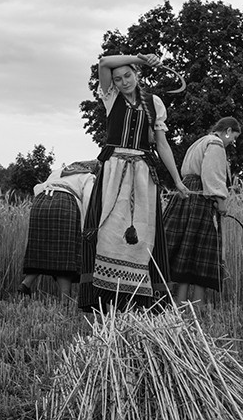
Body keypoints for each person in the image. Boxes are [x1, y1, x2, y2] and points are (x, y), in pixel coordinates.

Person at [78, 53, 189, 312]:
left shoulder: (154, 103)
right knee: (108, 229)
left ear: (137, 76)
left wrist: (178, 181)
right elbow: (104, 62)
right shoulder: (111, 98)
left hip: (141, 174)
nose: (124, 81)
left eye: (128, 75)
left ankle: (138, 300)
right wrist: (139, 58)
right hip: (113, 171)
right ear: (113, 83)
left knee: (141, 232)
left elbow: (162, 144)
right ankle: (104, 299)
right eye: (118, 79)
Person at [163, 117, 242, 307]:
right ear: (228, 130)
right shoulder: (215, 144)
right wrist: (220, 201)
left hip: (187, 195)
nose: (232, 143)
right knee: (201, 253)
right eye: (233, 138)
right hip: (200, 198)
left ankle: (180, 303)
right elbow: (212, 175)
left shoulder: (201, 141)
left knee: (186, 251)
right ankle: (197, 306)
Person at [18, 160, 98, 299]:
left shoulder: (58, 172)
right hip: (64, 204)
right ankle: (65, 299)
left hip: (40, 202)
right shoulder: (89, 177)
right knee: (64, 255)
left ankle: (25, 285)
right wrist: (86, 229)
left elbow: (38, 188)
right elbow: (89, 201)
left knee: (40, 250)